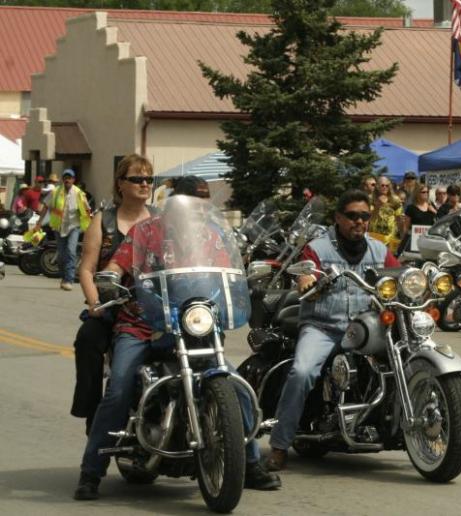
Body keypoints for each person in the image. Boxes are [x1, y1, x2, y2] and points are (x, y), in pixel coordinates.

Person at [73, 177, 281, 501]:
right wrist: (112, 276)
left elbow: (227, 273)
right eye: (195, 199)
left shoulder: (211, 236)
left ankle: (250, 463)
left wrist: (246, 280)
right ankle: (91, 472)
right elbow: (117, 263)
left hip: (193, 325)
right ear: (177, 200)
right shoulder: (146, 232)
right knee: (119, 388)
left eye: (205, 199)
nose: (201, 206)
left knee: (235, 384)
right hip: (142, 323)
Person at [265, 190, 401, 471]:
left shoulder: (379, 250)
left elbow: (398, 275)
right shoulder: (318, 247)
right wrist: (306, 282)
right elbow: (306, 272)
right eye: (352, 216)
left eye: (364, 216)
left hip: (365, 327)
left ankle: (442, 412)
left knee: (407, 352)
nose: (359, 222)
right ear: (338, 218)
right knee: (302, 372)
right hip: (324, 326)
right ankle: (279, 445)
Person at [70, 154, 156, 436]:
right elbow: (86, 269)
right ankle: (93, 412)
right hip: (112, 305)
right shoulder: (103, 221)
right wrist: (95, 303)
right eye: (136, 179)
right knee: (88, 339)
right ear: (120, 184)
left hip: (152, 308)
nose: (144, 184)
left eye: (148, 179)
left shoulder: (160, 220)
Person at [37, 169, 92, 290]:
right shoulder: (55, 192)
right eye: (65, 177)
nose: (67, 180)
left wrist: (91, 223)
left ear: (73, 180)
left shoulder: (79, 193)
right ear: (63, 180)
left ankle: (69, 280)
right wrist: (39, 222)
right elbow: (46, 207)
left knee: (71, 251)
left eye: (70, 178)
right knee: (61, 255)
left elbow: (87, 210)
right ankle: (63, 277)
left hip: (74, 227)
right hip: (59, 227)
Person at [369, 175, 404, 253]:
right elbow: (369, 217)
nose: (385, 187)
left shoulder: (395, 200)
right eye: (382, 185)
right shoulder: (371, 199)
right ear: (377, 186)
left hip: (390, 238)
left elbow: (399, 219)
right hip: (374, 237)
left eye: (387, 185)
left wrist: (402, 236)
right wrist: (377, 206)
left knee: (389, 261)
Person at [400, 183, 437, 253]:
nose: (426, 194)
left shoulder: (431, 206)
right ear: (417, 193)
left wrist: (434, 211)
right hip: (414, 241)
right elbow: (406, 227)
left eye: (427, 192)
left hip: (428, 240)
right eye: (423, 192)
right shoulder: (411, 208)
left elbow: (437, 222)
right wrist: (404, 239)